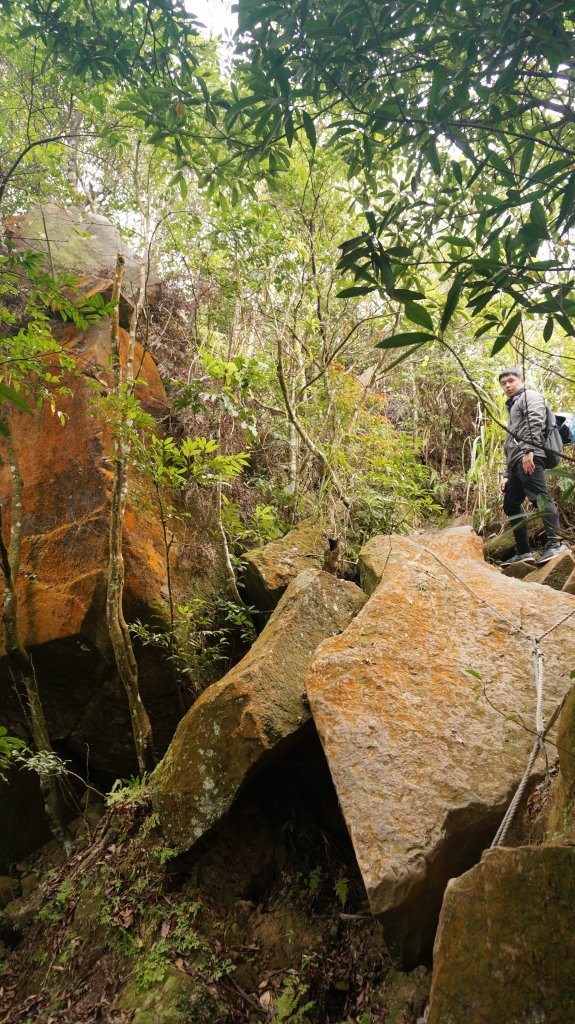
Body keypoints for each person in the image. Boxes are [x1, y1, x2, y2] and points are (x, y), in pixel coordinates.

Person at [498, 368, 568, 567]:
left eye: (511, 381)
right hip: (516, 462)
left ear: (522, 380)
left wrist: (530, 451)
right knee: (511, 504)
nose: (507, 386)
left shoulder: (530, 396)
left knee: (540, 497)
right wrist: (507, 474)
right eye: (503, 383)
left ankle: (556, 543)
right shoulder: (513, 407)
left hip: (530, 456)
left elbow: (535, 422)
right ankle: (523, 552)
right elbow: (510, 443)